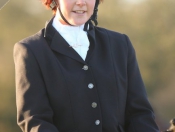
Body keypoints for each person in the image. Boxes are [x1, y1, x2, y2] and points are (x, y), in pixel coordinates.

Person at [13, 0, 160, 132]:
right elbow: (35, 121)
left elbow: (140, 114)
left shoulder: (120, 44)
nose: (81, 2)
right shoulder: (30, 50)